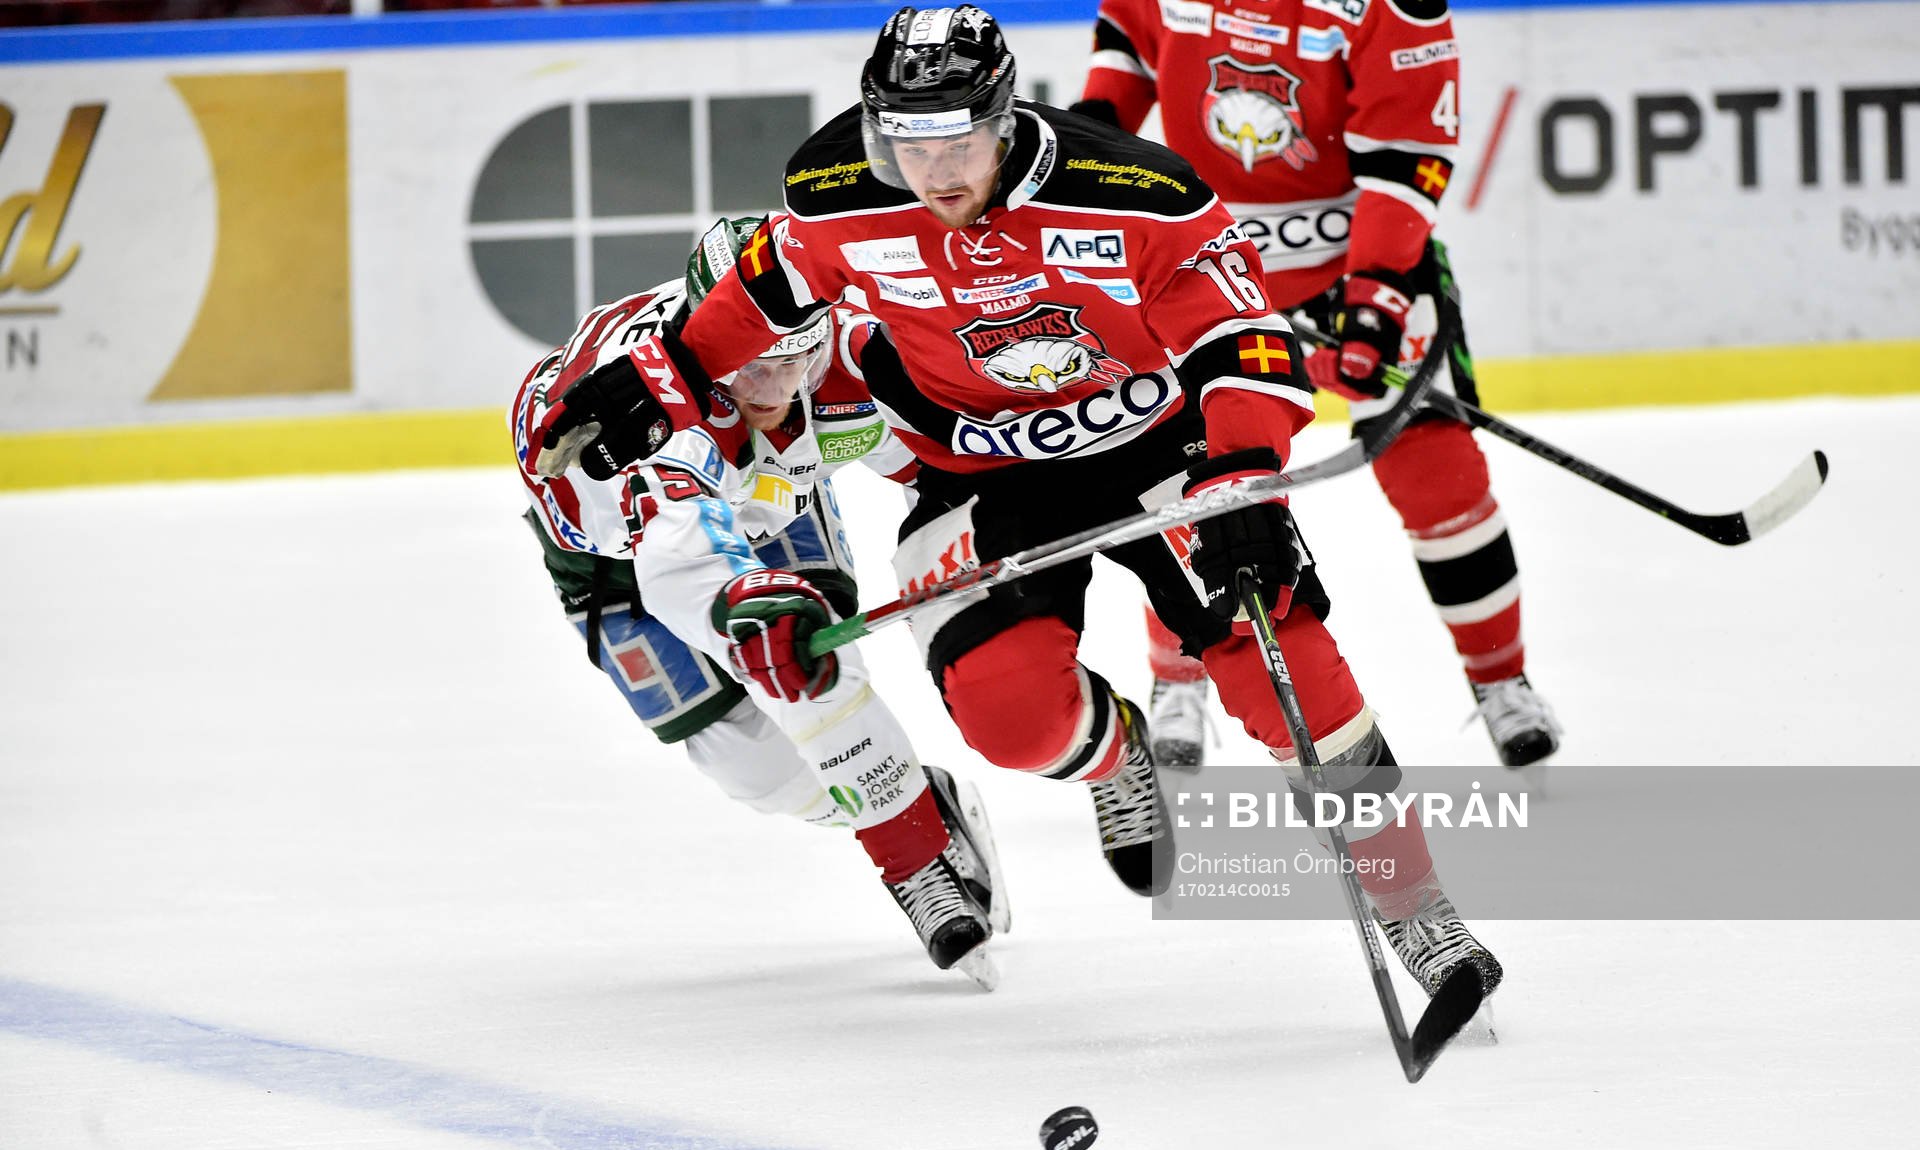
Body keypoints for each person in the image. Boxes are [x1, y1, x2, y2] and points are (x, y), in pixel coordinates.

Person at [525, 6, 1501, 1001]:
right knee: (1008, 716)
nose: (935, 169)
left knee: (1276, 653)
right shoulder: (836, 197)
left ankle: (1417, 906)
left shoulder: (1135, 191)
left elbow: (1244, 340)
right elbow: (762, 294)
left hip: (1157, 440)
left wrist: (1243, 473)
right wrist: (672, 370)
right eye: (907, 140)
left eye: (958, 138)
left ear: (1004, 117)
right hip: (981, 471)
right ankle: (1120, 757)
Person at [513, 216, 1006, 989]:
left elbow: (937, 456)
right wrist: (753, 607)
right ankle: (911, 795)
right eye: (750, 367)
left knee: (813, 678)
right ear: (708, 337)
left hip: (767, 506)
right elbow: (683, 567)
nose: (776, 390)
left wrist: (986, 509)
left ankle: (914, 860)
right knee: (753, 769)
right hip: (614, 556)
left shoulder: (838, 349)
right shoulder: (648, 421)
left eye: (796, 358)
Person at [1074, 0, 1561, 770]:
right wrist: (1096, 129)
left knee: (1440, 478)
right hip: (1201, 269)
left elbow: (1407, 158)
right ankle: (1178, 679)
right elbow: (1129, 43)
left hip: (1354, 264)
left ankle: (1502, 680)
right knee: (1190, 479)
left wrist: (1372, 301)